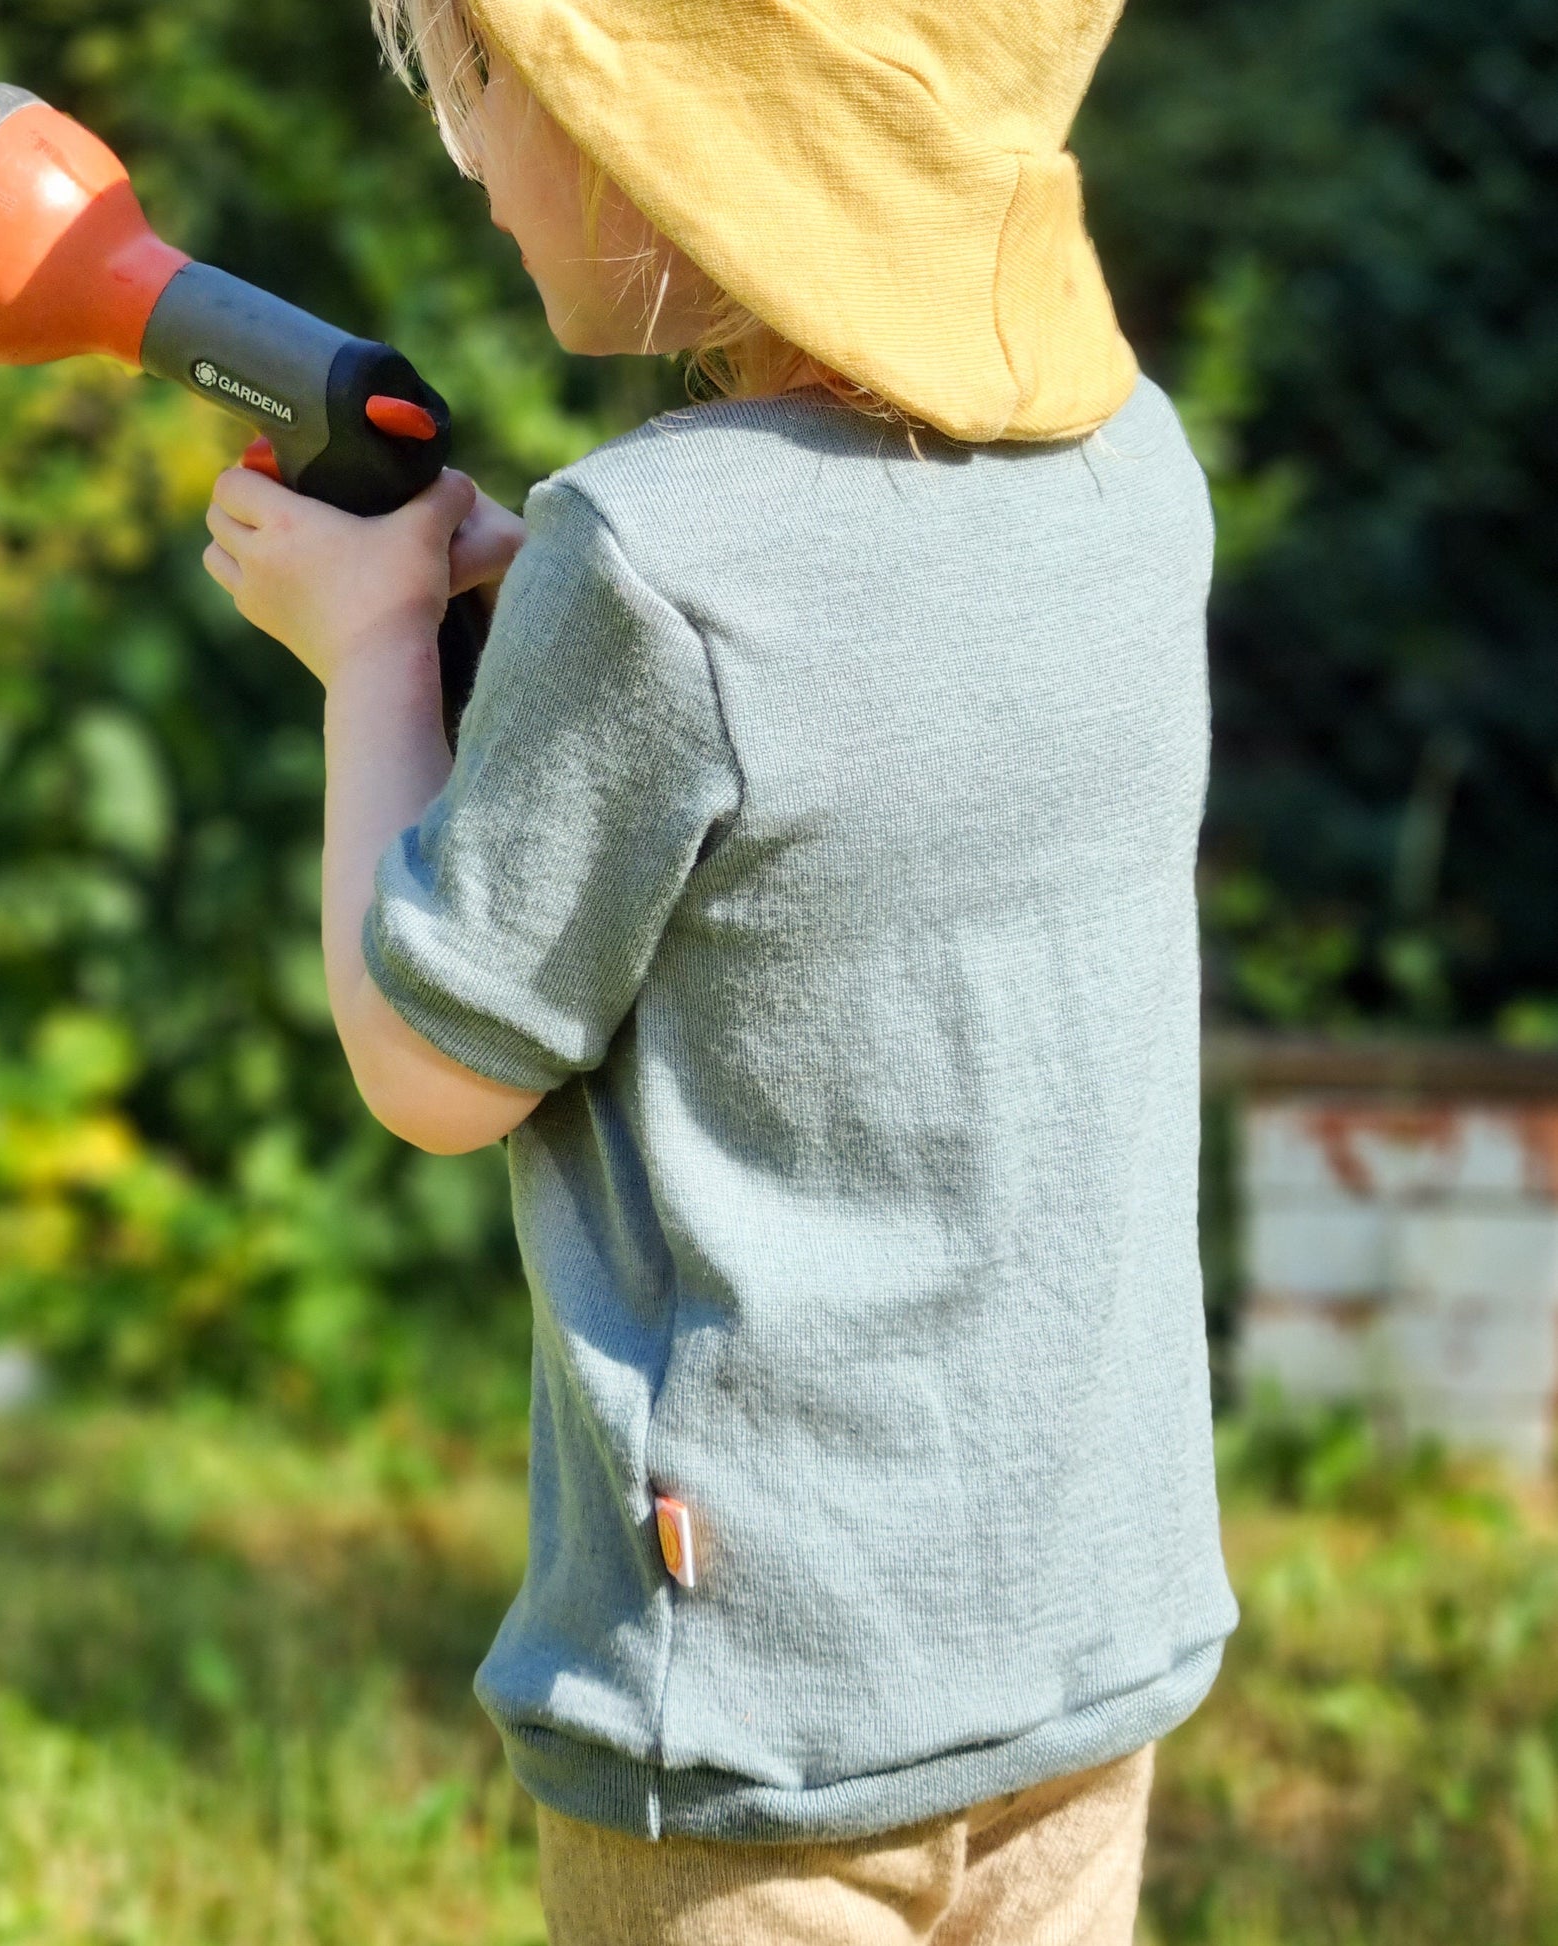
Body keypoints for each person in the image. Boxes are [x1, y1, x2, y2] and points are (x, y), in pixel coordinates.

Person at [199, 1, 1239, 1938]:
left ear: (649, 125)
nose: (474, 150)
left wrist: (366, 655)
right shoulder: (1137, 476)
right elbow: (852, 735)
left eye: (482, 84)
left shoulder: (651, 555)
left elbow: (434, 1062)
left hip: (761, 1700)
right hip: (1084, 1642)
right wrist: (538, 641)